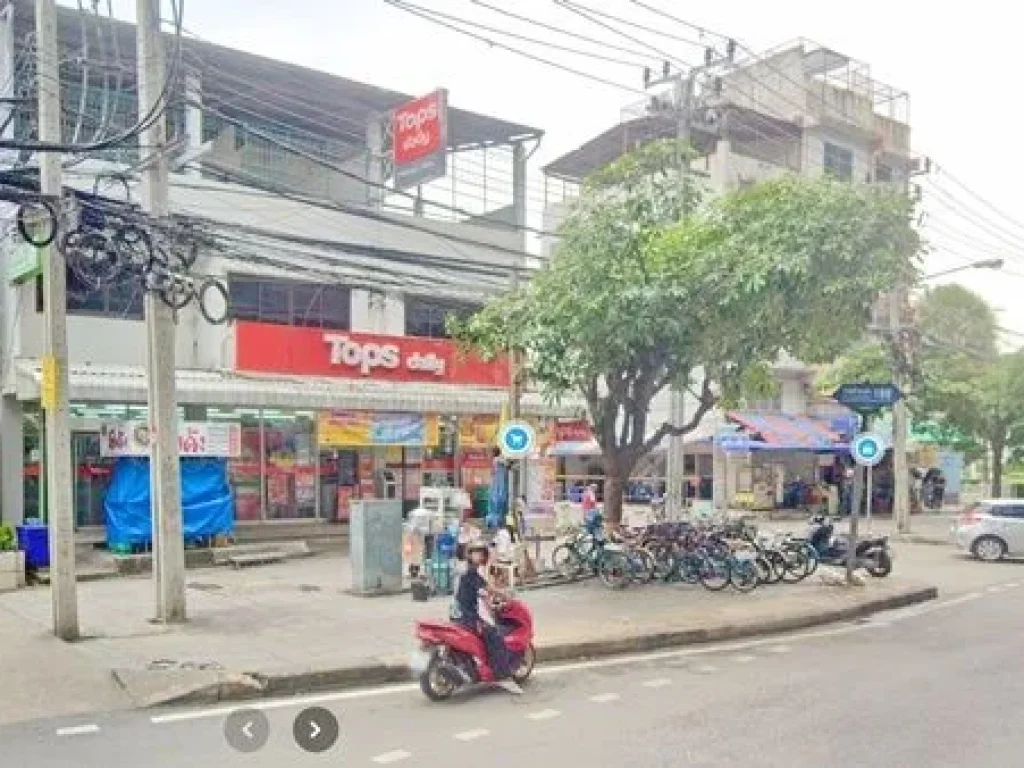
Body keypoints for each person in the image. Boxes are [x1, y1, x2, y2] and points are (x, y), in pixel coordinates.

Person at [452, 541, 522, 694]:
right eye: (476, 553)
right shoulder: (470, 574)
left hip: (458, 616)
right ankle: (504, 678)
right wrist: (504, 597)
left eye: (482, 553)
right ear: (469, 555)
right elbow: (487, 591)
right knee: (495, 636)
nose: (480, 556)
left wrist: (500, 595)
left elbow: (486, 591)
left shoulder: (470, 573)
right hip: (468, 618)